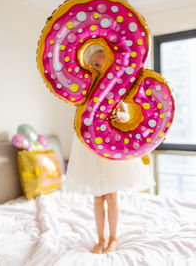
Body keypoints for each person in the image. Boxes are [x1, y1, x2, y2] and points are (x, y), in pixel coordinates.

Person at [64, 49, 156, 254]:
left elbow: (126, 112)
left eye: (102, 64)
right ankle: (100, 238)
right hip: (90, 148)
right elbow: (80, 115)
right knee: (98, 196)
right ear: (88, 67)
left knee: (111, 196)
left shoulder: (116, 88)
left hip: (110, 147)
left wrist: (120, 118)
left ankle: (113, 238)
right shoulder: (85, 90)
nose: (99, 68)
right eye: (95, 65)